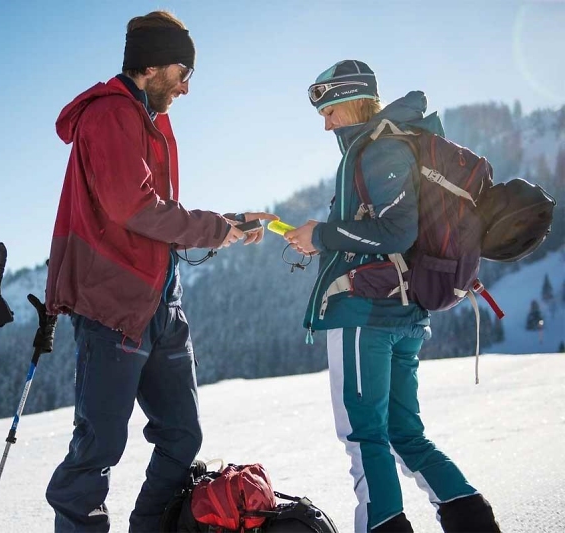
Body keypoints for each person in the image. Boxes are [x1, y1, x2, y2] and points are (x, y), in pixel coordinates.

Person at [43, 11, 276, 532]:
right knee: (99, 446)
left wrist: (229, 224)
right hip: (113, 307)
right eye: (182, 72)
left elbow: (156, 211)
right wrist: (216, 228)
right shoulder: (109, 116)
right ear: (152, 66)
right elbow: (134, 207)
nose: (187, 87)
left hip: (160, 303)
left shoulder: (149, 120)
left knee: (180, 435)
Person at [284, 60, 501, 533]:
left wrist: (321, 234)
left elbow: (395, 232)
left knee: (365, 437)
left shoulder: (379, 150)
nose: (325, 123)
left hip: (365, 313)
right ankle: (473, 521)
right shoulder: (394, 143)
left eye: (329, 110)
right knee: (406, 433)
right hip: (403, 312)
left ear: (352, 98)